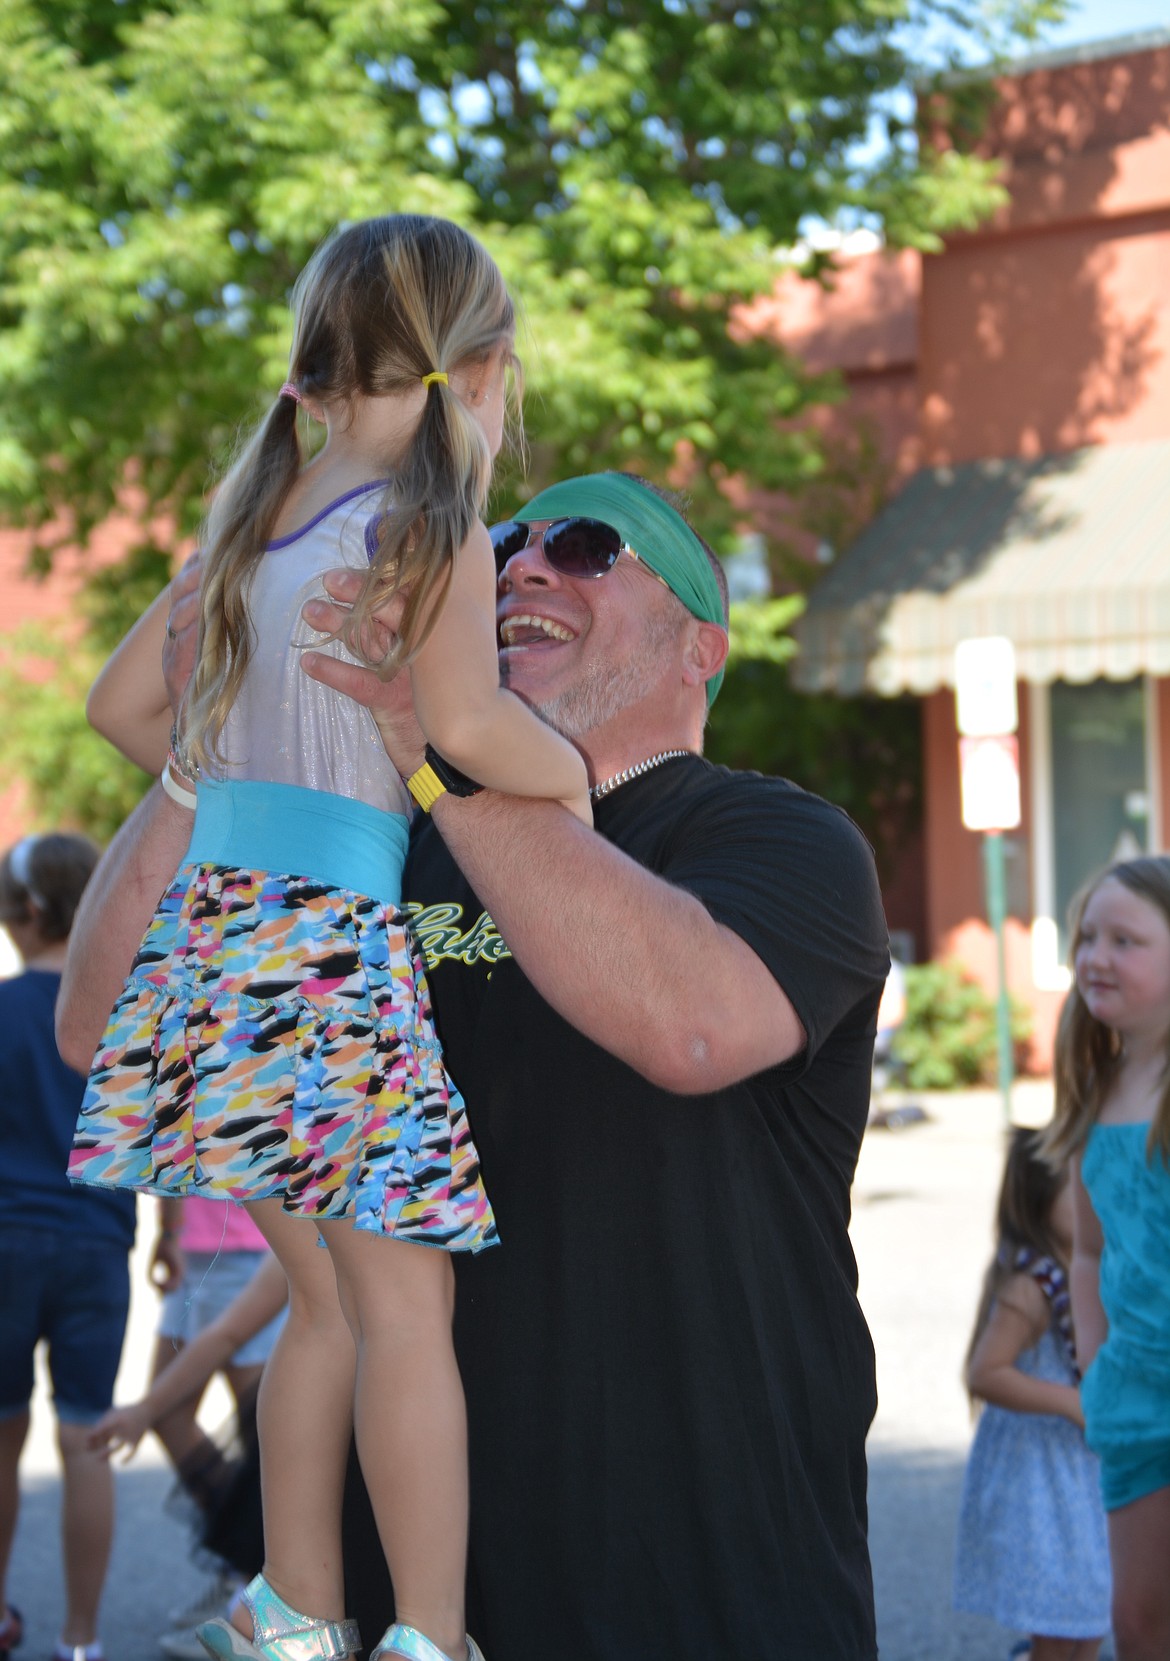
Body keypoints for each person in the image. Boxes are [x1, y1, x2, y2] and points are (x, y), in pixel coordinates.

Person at [59, 466, 891, 1660]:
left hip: (703, 1586)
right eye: (504, 543)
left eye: (590, 546)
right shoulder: (382, 840)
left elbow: (692, 1026)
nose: (523, 565)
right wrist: (215, 744)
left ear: (700, 647)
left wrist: (435, 754)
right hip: (418, 1605)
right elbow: (101, 1027)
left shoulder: (777, 836)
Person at [68, 213, 593, 1661]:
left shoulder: (262, 518)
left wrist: (222, 773)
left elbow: (121, 713)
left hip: (213, 944)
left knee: (321, 1302)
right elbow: (475, 729)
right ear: (474, 365)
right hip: (331, 944)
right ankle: (428, 1634)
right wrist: (580, 780)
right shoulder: (426, 527)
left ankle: (295, 1608)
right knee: (405, 1307)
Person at [0, 833, 135, 1661]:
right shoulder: (118, 1010)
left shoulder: (5, 1009)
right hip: (97, 1245)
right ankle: (80, 1640)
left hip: (7, 1242)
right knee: (87, 1437)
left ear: (30, 914)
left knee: (2, 1434)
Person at [1044, 856, 1170, 1661]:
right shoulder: (1098, 1088)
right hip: (1135, 1401)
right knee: (1138, 1623)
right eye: (1089, 935)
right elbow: (1088, 1251)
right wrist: (1094, 1362)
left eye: (1126, 940)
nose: (1096, 955)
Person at [953, 1125, 1110, 1658]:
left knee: (1088, 1616)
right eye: (1083, 1190)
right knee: (1061, 1622)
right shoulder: (1031, 1285)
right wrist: (1070, 1402)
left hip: (1076, 1473)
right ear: (1043, 1202)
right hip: (1041, 1478)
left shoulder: (1083, 1270)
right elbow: (986, 1372)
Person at [147, 1198, 286, 1660]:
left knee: (263, 1441)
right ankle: (243, 1564)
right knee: (166, 1415)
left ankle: (256, 1583)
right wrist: (167, 1231)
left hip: (254, 1239)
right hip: (193, 1244)